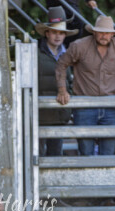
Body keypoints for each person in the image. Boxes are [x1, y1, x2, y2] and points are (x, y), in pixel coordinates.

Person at [56, 15, 115, 156]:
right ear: (94, 32)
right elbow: (61, 64)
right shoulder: (79, 46)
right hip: (84, 105)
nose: (104, 35)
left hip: (110, 105)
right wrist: (62, 90)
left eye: (107, 32)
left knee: (108, 152)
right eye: (100, 32)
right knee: (86, 152)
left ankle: (105, 171)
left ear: (112, 34)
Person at [35, 7, 76, 156]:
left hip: (59, 113)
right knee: (37, 156)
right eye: (54, 32)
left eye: (61, 33)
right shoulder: (35, 52)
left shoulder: (68, 54)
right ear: (47, 33)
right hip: (40, 114)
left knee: (56, 156)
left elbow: (71, 82)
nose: (58, 36)